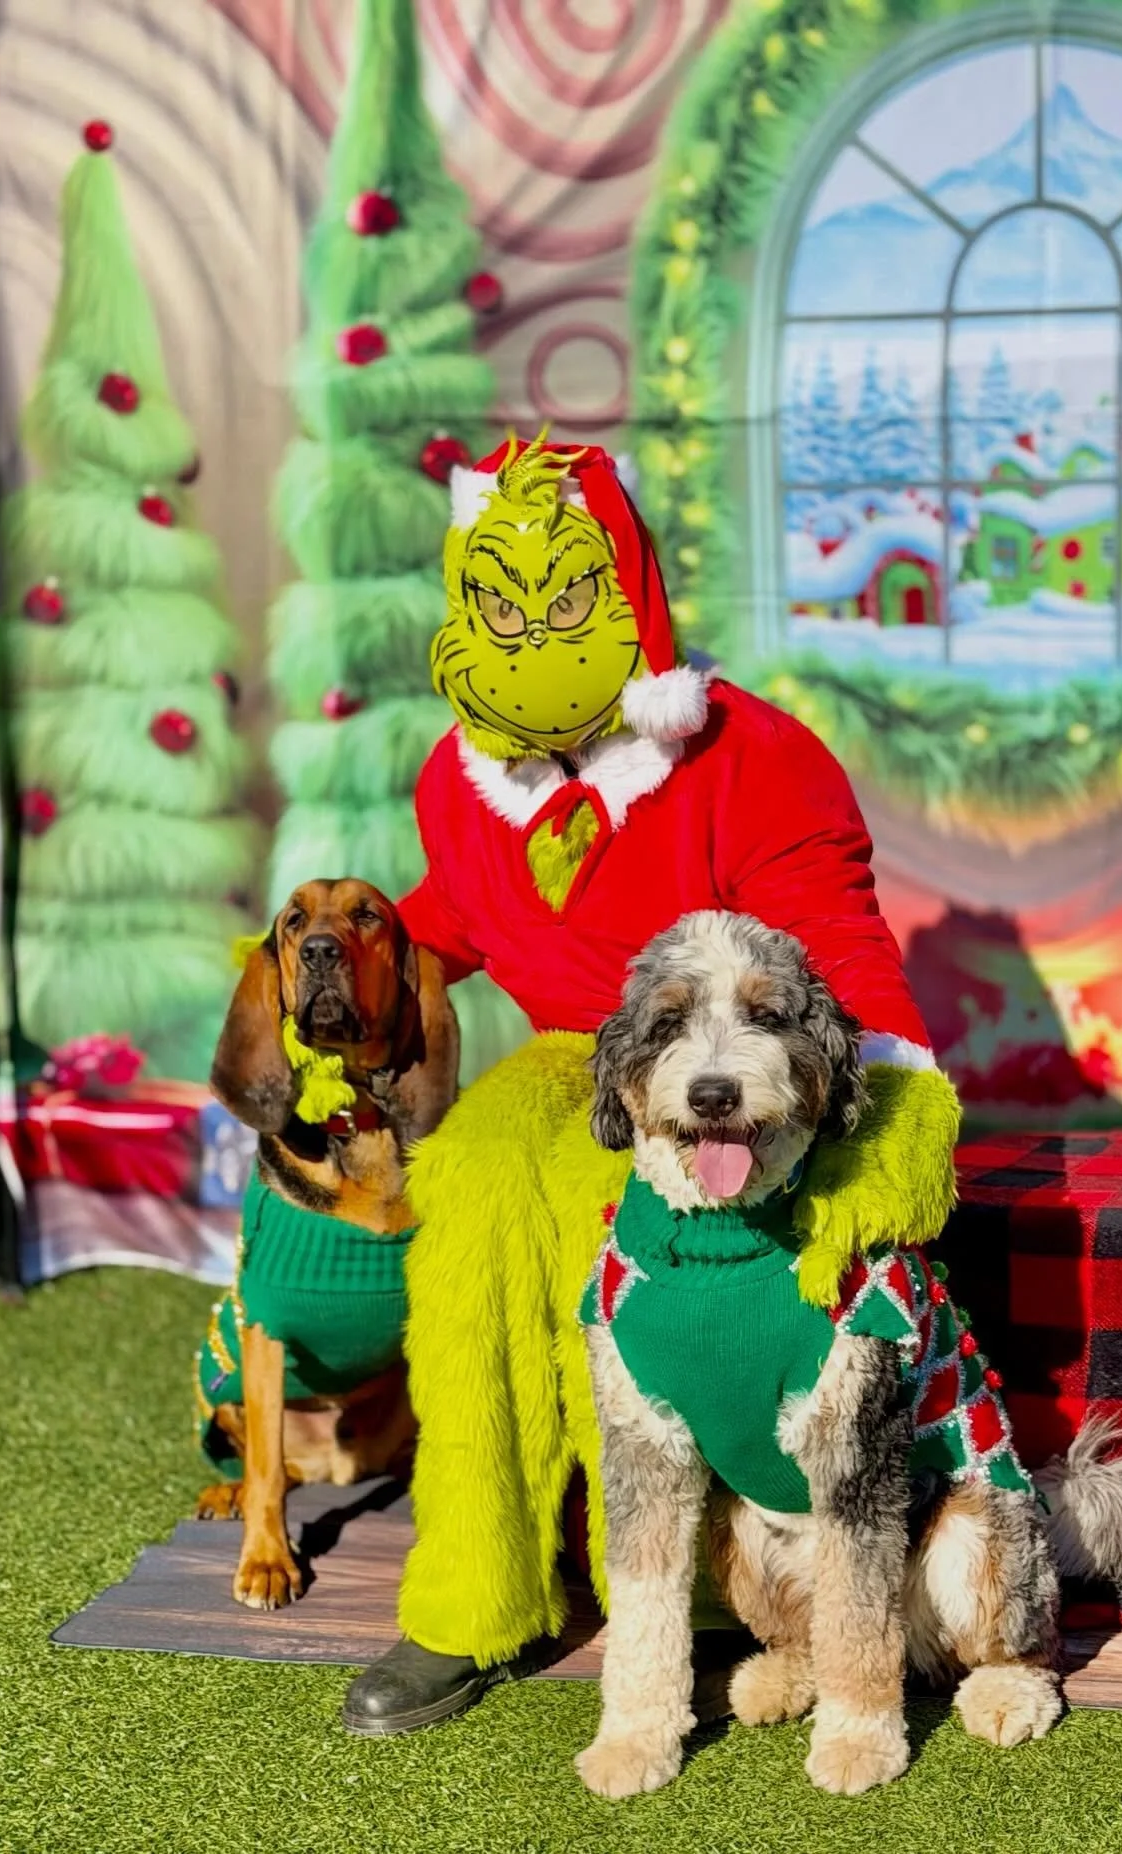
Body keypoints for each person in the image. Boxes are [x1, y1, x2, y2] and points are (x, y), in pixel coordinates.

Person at [342, 431, 959, 1734]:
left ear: (626, 596)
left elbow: (836, 951)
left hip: (718, 1069)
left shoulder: (754, 757)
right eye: (501, 606)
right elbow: (462, 909)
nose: (530, 634)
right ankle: (471, 1594)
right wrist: (359, 969)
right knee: (472, 1184)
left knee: (596, 1211)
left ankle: (678, 1590)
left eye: (564, 603)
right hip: (583, 1055)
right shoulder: (460, 781)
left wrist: (897, 1132)